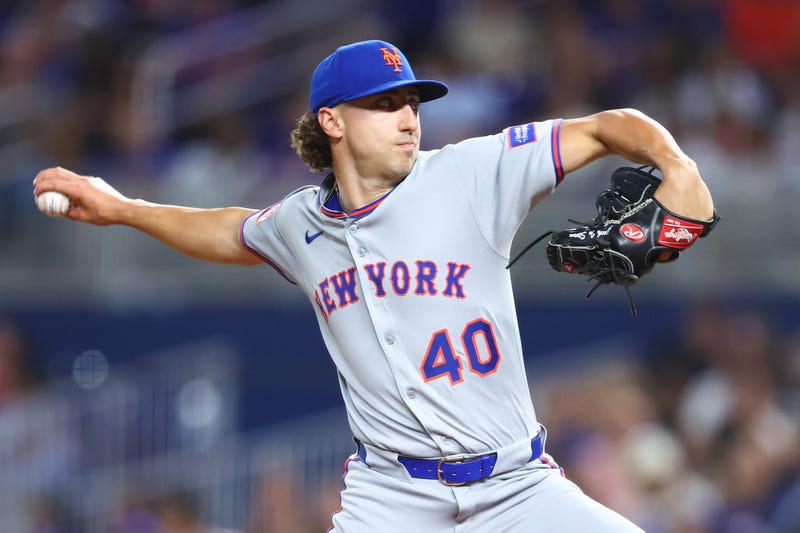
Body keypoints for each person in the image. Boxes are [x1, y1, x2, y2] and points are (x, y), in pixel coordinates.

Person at [34, 39, 715, 532]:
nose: (408, 117)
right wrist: (123, 208)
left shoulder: (472, 173)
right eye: (384, 104)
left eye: (412, 101)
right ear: (332, 121)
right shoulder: (302, 223)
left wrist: (673, 161)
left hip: (516, 487)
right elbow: (228, 230)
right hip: (392, 497)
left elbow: (602, 128)